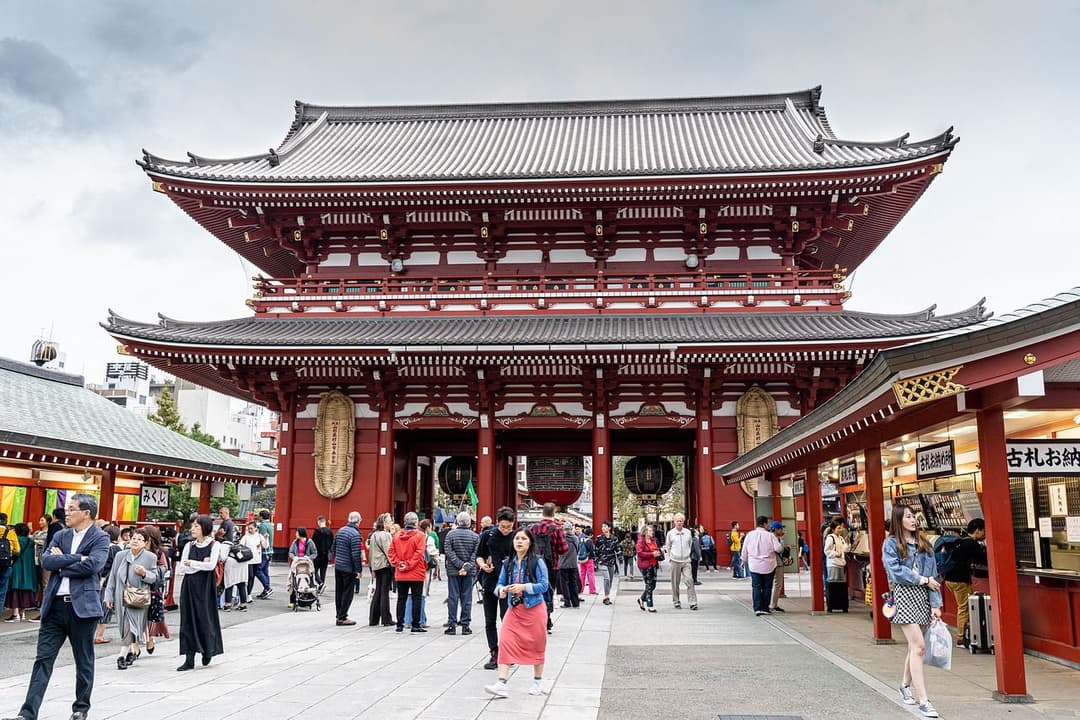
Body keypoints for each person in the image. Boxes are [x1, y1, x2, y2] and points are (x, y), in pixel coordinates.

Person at [4, 493, 109, 720]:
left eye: (72, 509)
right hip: (55, 607)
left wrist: (64, 562)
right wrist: (77, 558)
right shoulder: (61, 535)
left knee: (84, 660)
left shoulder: (100, 537)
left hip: (82, 609)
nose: (67, 513)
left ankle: (80, 709)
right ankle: (27, 713)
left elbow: (94, 565)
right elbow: (48, 561)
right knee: (43, 659)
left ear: (86, 513)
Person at [883, 504, 943, 719]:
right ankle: (924, 701)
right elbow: (895, 572)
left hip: (924, 596)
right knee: (919, 647)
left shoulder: (924, 543)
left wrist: (936, 604)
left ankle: (904, 686)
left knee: (913, 646)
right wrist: (922, 580)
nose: (912, 520)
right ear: (898, 520)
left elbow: (934, 576)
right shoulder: (891, 543)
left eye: (913, 516)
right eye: (908, 516)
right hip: (904, 596)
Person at [484, 528, 551, 699]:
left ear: (530, 542)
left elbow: (544, 585)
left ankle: (537, 682)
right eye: (517, 539)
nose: (519, 541)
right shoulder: (508, 563)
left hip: (534, 609)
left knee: (537, 645)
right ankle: (501, 683)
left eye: (523, 539)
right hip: (514, 610)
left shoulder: (537, 562)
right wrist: (501, 591)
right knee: (505, 642)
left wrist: (524, 587)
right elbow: (499, 584)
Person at [104, 529, 163, 670]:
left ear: (145, 543)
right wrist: (108, 596)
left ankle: (121, 655)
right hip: (120, 596)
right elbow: (112, 577)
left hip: (138, 597)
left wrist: (144, 573)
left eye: (139, 539)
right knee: (124, 625)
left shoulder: (150, 557)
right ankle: (131, 651)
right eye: (133, 538)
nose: (135, 541)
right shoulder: (120, 555)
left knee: (131, 625)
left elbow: (154, 578)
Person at [175, 515, 223, 671]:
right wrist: (200, 564)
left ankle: (207, 650)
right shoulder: (189, 545)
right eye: (193, 526)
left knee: (205, 618)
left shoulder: (215, 545)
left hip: (205, 588)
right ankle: (189, 658)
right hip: (189, 586)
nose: (192, 529)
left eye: (196, 526)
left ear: (205, 527)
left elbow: (211, 566)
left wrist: (193, 563)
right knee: (187, 619)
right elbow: (182, 568)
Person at [476, 506, 516, 670]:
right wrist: (483, 566)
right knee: (490, 620)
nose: (506, 530)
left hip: (509, 584)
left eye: (509, 527)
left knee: (507, 620)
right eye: (503, 526)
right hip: (490, 581)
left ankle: (507, 653)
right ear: (497, 523)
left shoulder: (516, 537)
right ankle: (494, 652)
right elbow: (479, 556)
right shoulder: (488, 535)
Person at [942, 518, 987, 647]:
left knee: (965, 606)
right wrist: (986, 546)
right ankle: (961, 638)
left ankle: (968, 633)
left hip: (949, 579)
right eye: (983, 531)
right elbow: (983, 559)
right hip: (960, 580)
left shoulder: (961, 541)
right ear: (977, 531)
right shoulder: (972, 544)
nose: (984, 534)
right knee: (964, 607)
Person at [531, 503, 567, 634]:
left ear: (542, 512)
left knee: (536, 591)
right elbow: (563, 549)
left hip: (535, 566)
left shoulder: (533, 528)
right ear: (553, 513)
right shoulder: (557, 529)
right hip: (552, 566)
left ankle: (537, 619)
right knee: (549, 592)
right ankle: (546, 618)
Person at [388, 512, 427, 633]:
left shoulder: (396, 536)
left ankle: (399, 624)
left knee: (401, 598)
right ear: (416, 522)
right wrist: (409, 564)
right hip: (416, 572)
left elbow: (391, 553)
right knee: (417, 598)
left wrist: (399, 563)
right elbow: (419, 553)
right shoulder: (420, 536)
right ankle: (415, 624)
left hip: (401, 572)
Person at [443, 511, 479, 635]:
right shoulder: (475, 536)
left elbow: (449, 551)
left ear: (457, 522)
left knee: (453, 597)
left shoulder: (450, 535)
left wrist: (459, 565)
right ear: (469, 523)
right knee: (467, 598)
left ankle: (452, 625)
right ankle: (465, 625)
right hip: (469, 572)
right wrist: (466, 567)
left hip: (454, 570)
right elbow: (475, 554)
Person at [741, 516, 782, 616]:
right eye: (768, 523)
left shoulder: (750, 535)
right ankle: (764, 608)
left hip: (754, 565)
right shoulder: (770, 536)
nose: (768, 525)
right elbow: (778, 549)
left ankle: (757, 608)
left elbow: (744, 549)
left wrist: (743, 560)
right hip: (768, 565)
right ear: (764, 524)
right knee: (767, 587)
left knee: (756, 587)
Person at [331, 511, 363, 627]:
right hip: (348, 567)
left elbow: (333, 548)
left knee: (339, 591)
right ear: (358, 521)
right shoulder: (355, 534)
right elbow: (356, 554)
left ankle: (338, 614)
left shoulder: (340, 530)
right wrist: (358, 569)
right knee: (348, 592)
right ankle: (342, 616)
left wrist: (336, 559)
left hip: (338, 565)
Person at [93, 526, 122, 643]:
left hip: (95, 580)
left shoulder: (99, 547)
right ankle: (99, 636)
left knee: (95, 607)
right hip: (107, 582)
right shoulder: (116, 549)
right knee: (106, 608)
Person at [4, 522, 36, 623]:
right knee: (25, 592)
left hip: (17, 567)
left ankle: (15, 614)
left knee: (15, 590)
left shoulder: (17, 540)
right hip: (29, 569)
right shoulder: (31, 541)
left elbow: (15, 553)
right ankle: (22, 613)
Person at [664, 513, 697, 610]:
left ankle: (693, 602)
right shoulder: (670, 533)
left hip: (686, 561)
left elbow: (690, 544)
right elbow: (668, 546)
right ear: (674, 522)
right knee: (675, 583)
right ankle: (676, 601)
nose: (679, 522)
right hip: (675, 560)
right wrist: (670, 557)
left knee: (689, 580)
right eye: (677, 521)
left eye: (681, 521)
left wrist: (688, 554)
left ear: (683, 522)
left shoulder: (687, 532)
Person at [367, 513, 394, 627]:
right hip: (385, 565)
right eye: (390, 521)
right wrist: (394, 565)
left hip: (376, 565)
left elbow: (371, 553)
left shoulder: (374, 535)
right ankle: (386, 618)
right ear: (384, 523)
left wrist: (371, 567)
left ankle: (373, 618)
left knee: (378, 590)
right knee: (384, 592)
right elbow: (389, 552)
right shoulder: (386, 535)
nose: (391, 523)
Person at [824, 520, 850, 613]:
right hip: (833, 563)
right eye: (838, 528)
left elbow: (845, 549)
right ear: (833, 529)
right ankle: (832, 604)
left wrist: (848, 544)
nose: (840, 530)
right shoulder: (830, 538)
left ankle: (841, 604)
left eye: (841, 528)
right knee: (833, 583)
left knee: (840, 584)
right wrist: (836, 554)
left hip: (841, 563)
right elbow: (827, 551)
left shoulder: (841, 538)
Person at [636, 525, 661, 612]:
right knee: (649, 585)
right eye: (650, 531)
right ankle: (650, 605)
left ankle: (641, 599)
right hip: (646, 565)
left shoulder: (653, 540)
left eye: (652, 531)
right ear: (645, 532)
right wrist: (652, 554)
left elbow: (656, 549)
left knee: (653, 585)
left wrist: (658, 552)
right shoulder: (641, 541)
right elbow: (640, 553)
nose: (652, 532)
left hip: (654, 564)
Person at [769, 522, 793, 613]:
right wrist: (783, 542)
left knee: (769, 584)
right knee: (777, 584)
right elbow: (780, 549)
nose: (782, 531)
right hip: (777, 563)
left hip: (769, 563)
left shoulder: (768, 538)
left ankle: (771, 604)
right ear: (776, 529)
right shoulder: (775, 539)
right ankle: (773, 605)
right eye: (781, 529)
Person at [594, 521, 619, 605]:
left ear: (609, 528)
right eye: (602, 526)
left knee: (610, 580)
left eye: (605, 526)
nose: (603, 528)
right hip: (602, 561)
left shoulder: (614, 538)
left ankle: (607, 595)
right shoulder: (599, 538)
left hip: (611, 562)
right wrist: (595, 561)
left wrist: (620, 558)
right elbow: (596, 550)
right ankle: (606, 597)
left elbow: (617, 549)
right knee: (607, 578)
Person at [238, 523, 264, 603]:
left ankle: (249, 593)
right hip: (248, 560)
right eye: (248, 528)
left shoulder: (259, 536)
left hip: (257, 559)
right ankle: (247, 593)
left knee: (252, 577)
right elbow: (240, 546)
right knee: (250, 576)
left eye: (251, 528)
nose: (250, 530)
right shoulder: (246, 537)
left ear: (256, 528)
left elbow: (265, 546)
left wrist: (265, 539)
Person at [557, 522, 580, 608]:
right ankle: (576, 603)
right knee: (573, 583)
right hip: (573, 564)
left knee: (564, 584)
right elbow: (578, 549)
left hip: (563, 564)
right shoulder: (576, 538)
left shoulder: (562, 539)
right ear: (571, 529)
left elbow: (558, 550)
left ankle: (567, 602)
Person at [253, 509, 274, 598]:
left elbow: (261, 539)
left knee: (258, 570)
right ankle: (266, 590)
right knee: (265, 571)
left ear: (261, 517)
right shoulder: (270, 525)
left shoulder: (262, 526)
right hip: (270, 550)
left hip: (264, 551)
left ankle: (267, 587)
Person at [311, 516, 334, 589]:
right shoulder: (330, 532)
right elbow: (332, 543)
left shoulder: (317, 532)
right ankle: (321, 586)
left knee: (314, 570)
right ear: (325, 521)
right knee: (323, 572)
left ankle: (319, 582)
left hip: (317, 554)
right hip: (326, 554)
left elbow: (313, 543)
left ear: (318, 522)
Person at [577, 527, 597, 596]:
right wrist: (594, 558)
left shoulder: (581, 540)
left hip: (582, 559)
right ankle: (592, 590)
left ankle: (580, 589)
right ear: (590, 534)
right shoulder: (589, 541)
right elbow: (591, 551)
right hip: (589, 560)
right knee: (590, 575)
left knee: (582, 575)